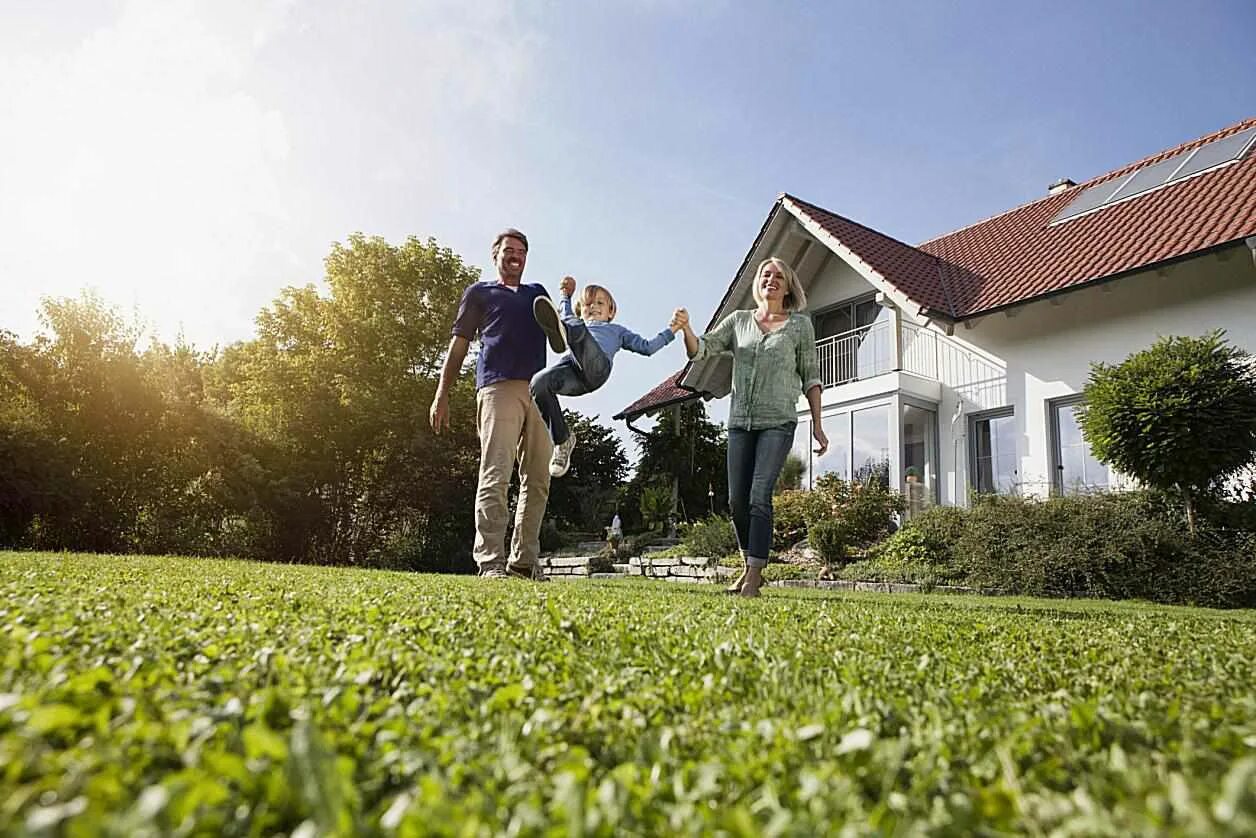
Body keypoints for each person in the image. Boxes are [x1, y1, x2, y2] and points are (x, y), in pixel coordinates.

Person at [677, 256, 828, 597]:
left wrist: (818, 424)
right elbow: (701, 351)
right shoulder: (739, 321)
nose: (771, 279)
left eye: (778, 276)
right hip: (740, 423)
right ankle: (750, 568)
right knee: (736, 501)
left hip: (777, 422)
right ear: (757, 283)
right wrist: (686, 329)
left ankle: (753, 578)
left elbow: (812, 377)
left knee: (760, 495)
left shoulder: (799, 325)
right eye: (765, 274)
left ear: (788, 286)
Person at [429, 228, 552, 580]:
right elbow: (459, 345)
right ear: (495, 255)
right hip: (498, 387)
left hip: (541, 390)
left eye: (521, 251)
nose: (515, 255)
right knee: (496, 473)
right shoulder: (479, 293)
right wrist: (442, 393)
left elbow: (563, 333)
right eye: (508, 250)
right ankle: (490, 562)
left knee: (539, 478)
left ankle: (523, 562)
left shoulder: (537, 295)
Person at [531, 277, 682, 477]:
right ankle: (562, 440)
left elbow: (647, 347)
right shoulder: (576, 320)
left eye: (600, 303)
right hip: (572, 371)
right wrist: (565, 294)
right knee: (538, 383)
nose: (593, 306)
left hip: (597, 368)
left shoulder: (616, 331)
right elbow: (565, 311)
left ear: (611, 311)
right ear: (581, 310)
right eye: (587, 304)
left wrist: (672, 330)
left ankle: (564, 334)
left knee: (574, 327)